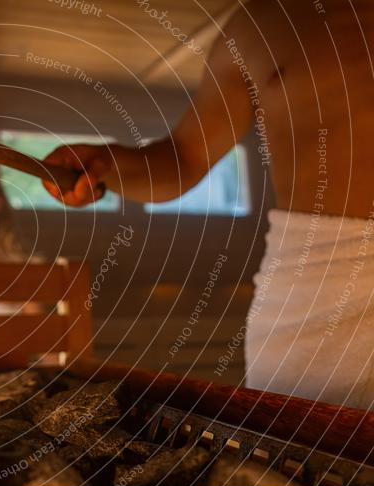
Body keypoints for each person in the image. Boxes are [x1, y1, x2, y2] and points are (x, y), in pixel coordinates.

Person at [42, 1, 374, 408]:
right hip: (316, 283)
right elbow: (187, 156)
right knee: (293, 460)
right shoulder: (264, 23)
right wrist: (105, 163)